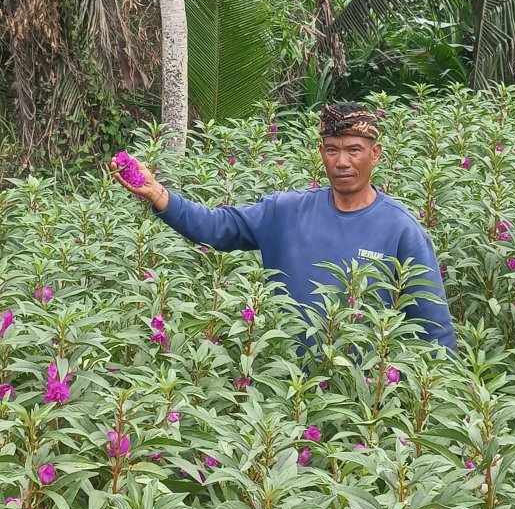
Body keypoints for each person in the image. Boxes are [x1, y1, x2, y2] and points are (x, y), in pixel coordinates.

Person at [111, 102, 457, 352]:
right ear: (321, 153)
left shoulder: (401, 229)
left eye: (354, 150)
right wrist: (157, 194)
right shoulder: (286, 211)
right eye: (332, 150)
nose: (342, 162)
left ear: (376, 154)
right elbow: (215, 227)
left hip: (361, 402)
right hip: (279, 383)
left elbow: (433, 327)